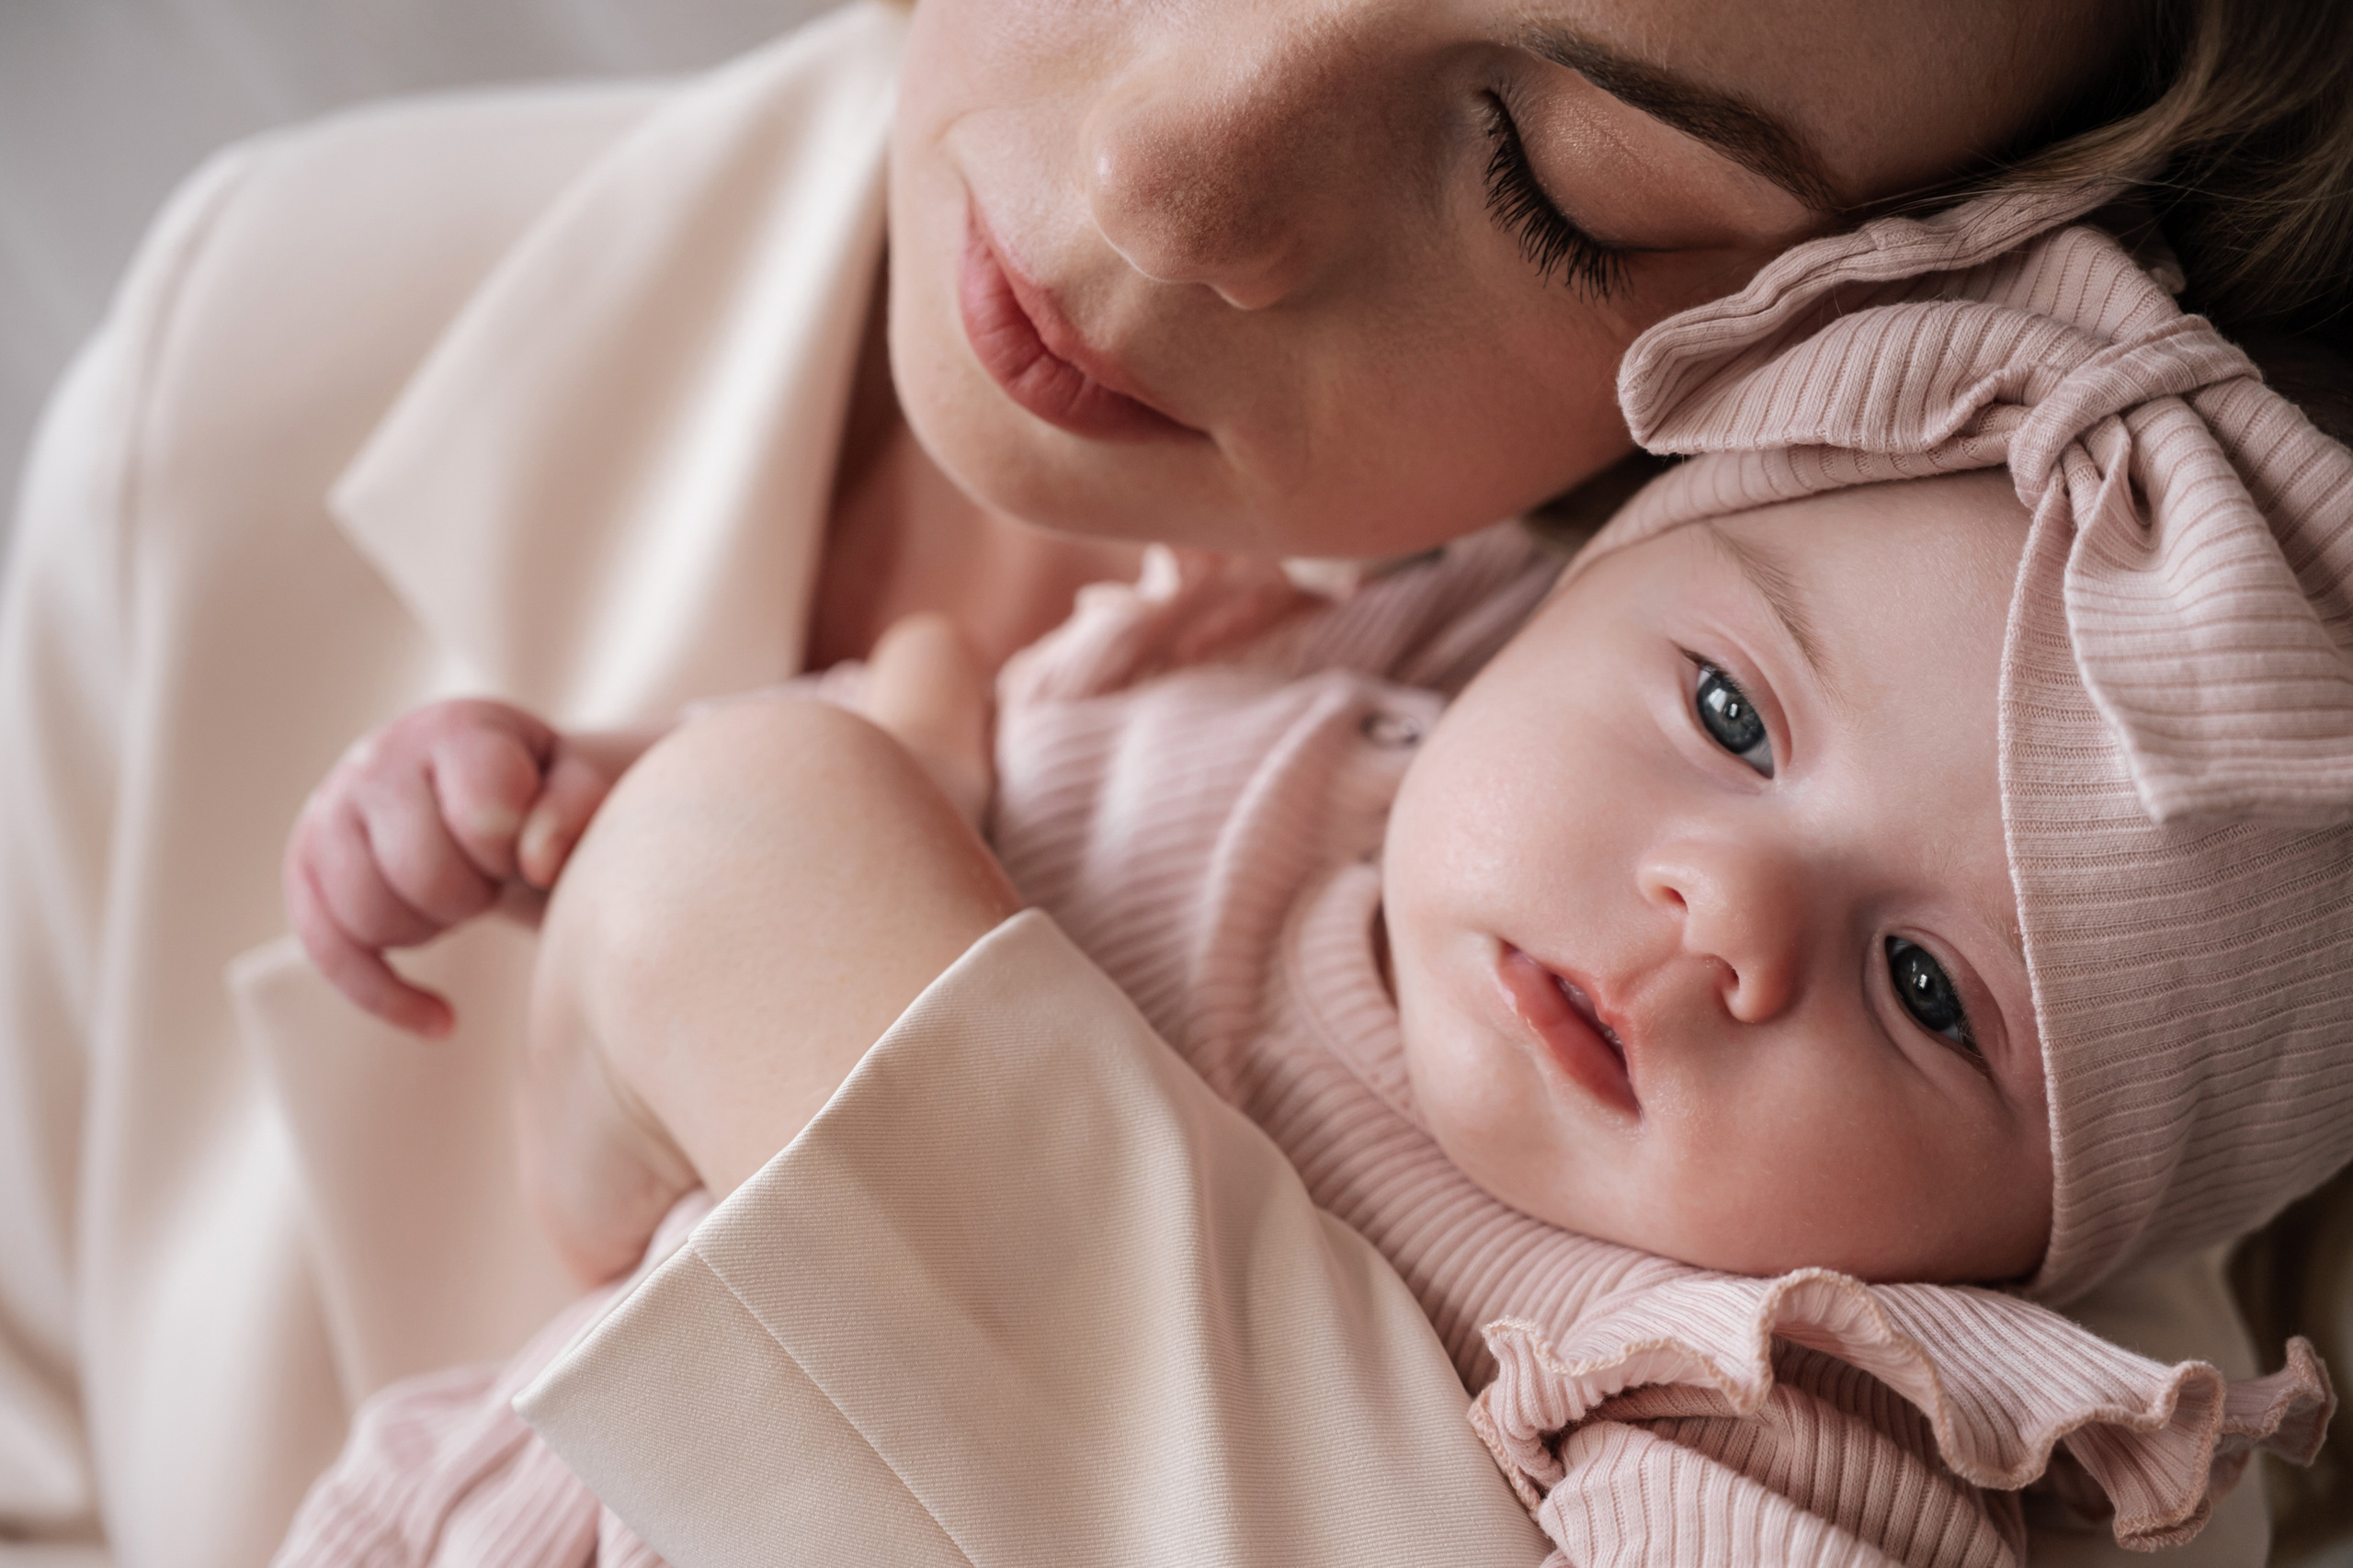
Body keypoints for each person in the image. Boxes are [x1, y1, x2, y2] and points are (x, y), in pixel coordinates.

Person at [6, 0, 2352, 1561]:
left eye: (1561, 179)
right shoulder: (270, 332)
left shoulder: (2105, 1135)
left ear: (1860, 315)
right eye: (1725, 717)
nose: (1158, 163)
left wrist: (747, 922)